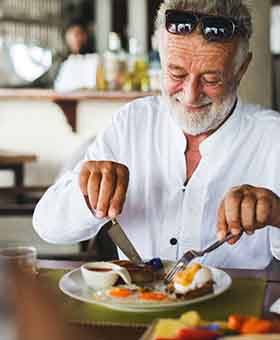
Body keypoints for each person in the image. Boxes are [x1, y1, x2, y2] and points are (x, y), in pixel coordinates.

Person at [33, 0, 280, 269]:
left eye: (211, 79)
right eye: (176, 73)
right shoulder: (133, 123)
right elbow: (47, 225)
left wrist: (278, 215)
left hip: (236, 309)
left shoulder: (271, 137)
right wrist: (88, 194)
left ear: (241, 68)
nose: (190, 95)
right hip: (137, 305)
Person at [33, 19, 95, 88]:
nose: (76, 39)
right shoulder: (60, 61)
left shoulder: (93, 59)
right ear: (66, 36)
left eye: (79, 34)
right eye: (72, 34)